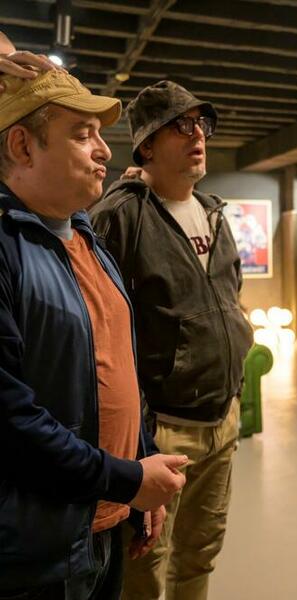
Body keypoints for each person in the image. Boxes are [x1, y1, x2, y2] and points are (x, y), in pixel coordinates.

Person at [0, 68, 188, 600]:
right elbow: (11, 420)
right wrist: (127, 479)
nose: (104, 151)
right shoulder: (6, 248)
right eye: (83, 135)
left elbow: (114, 364)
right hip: (39, 550)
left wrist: (141, 465)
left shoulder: (86, 237)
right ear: (23, 146)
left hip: (103, 521)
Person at [90, 80, 254, 600]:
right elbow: (102, 330)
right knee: (147, 561)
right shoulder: (123, 216)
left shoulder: (213, 212)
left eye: (201, 124)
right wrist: (138, 435)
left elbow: (229, 299)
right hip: (162, 430)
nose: (197, 135)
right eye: (179, 126)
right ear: (146, 146)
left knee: (201, 552)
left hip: (221, 419)